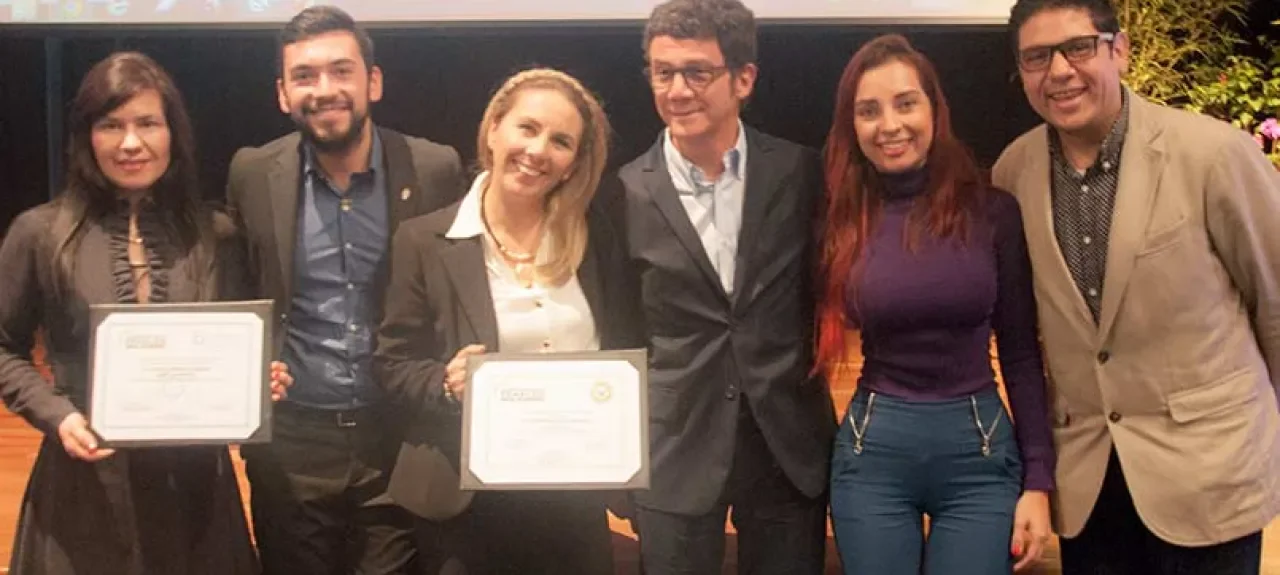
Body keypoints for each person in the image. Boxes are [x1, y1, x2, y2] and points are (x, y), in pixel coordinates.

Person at [992, 0, 1280, 573]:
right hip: (1089, 483)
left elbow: (1274, 301)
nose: (1059, 71)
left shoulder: (1212, 154)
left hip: (1208, 474)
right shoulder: (1012, 174)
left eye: (1078, 48)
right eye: (1037, 57)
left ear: (1118, 50)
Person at [0, 51, 291, 575]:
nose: (130, 142)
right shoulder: (38, 234)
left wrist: (255, 379)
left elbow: (240, 340)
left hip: (195, 493)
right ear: (87, 136)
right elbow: (2, 347)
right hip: (82, 486)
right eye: (111, 125)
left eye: (148, 123)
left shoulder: (216, 234)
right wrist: (56, 415)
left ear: (173, 133)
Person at [224, 6, 466, 574]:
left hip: (399, 437)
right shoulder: (252, 173)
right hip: (293, 443)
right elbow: (238, 290)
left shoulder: (433, 169)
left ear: (372, 82)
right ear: (283, 94)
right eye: (304, 76)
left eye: (341, 71)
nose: (324, 90)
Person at [373, 67, 629, 574]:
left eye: (560, 141)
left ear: (574, 164)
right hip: (466, 505)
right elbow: (392, 363)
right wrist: (446, 382)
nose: (538, 150)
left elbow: (623, 349)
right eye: (527, 128)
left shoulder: (597, 238)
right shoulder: (423, 240)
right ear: (493, 129)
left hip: (573, 499)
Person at [817, 34, 1054, 575]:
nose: (890, 125)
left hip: (979, 457)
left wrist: (1038, 481)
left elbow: (1021, 355)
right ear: (852, 125)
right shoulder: (839, 218)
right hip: (873, 456)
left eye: (906, 103)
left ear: (934, 110)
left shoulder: (993, 213)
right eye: (869, 111)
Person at [612, 0, 836, 572]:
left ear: (744, 79)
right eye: (663, 72)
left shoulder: (801, 172)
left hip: (786, 444)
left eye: (697, 72)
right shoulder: (621, 193)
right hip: (673, 449)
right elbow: (619, 328)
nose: (677, 90)